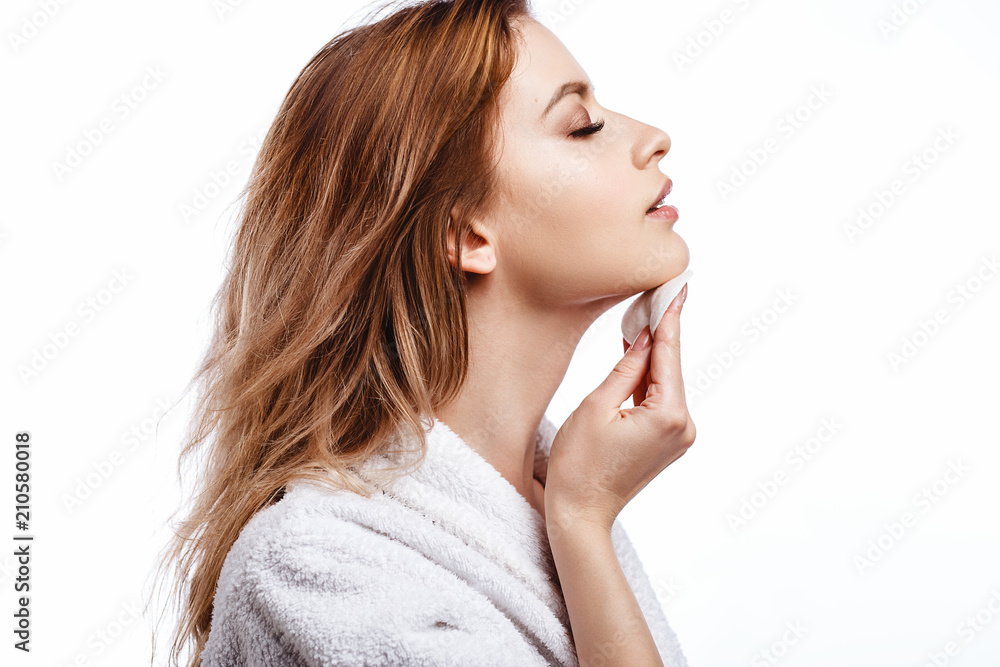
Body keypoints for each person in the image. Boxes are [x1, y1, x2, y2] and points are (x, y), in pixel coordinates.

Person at [149, 0, 695, 665]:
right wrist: (582, 521)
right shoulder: (312, 567)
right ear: (465, 234)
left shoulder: (541, 501)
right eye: (582, 127)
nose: (654, 137)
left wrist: (581, 516)